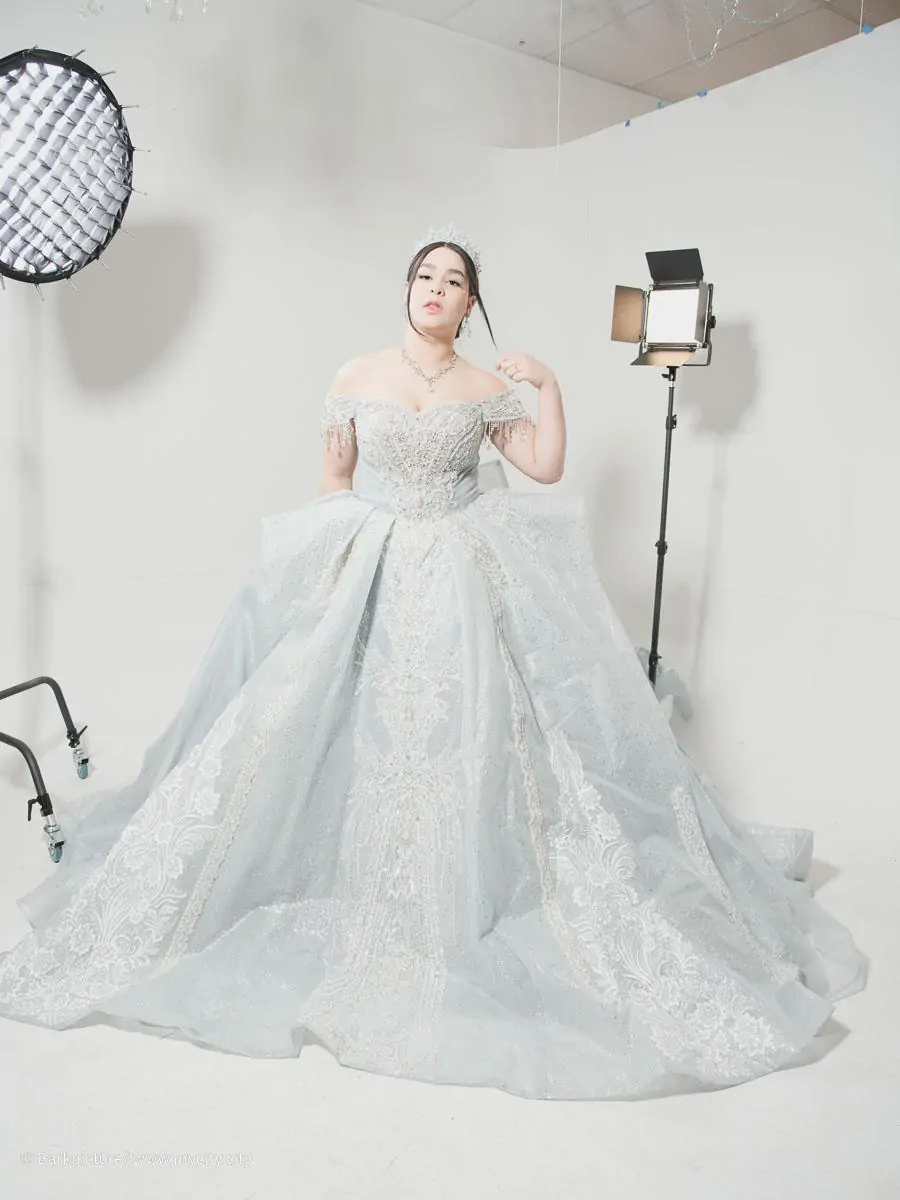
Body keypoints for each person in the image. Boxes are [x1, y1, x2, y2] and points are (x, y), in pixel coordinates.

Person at [0, 225, 866, 1101]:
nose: (436, 288)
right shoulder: (357, 373)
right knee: (317, 730)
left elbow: (544, 465)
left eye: (454, 280)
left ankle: (465, 889)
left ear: (470, 302)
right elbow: (335, 482)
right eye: (425, 274)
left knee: (479, 735)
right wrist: (332, 572)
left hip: (458, 569)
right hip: (374, 560)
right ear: (408, 288)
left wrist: (550, 386)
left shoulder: (487, 388)